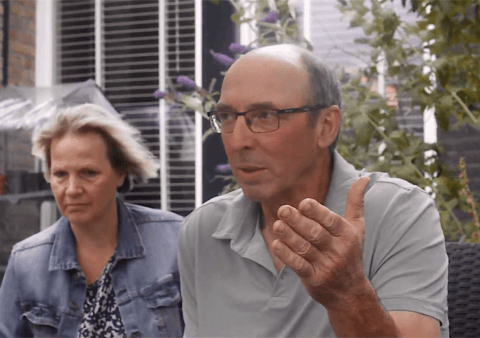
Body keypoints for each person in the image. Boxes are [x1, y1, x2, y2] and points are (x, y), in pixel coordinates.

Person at [178, 44, 448, 337]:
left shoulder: (399, 212)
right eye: (227, 116)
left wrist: (346, 293)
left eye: (266, 115)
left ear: (325, 126)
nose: (238, 140)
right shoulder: (203, 230)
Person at [0, 104, 184, 337]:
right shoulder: (26, 263)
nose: (72, 189)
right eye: (60, 174)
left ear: (120, 173)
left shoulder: (175, 240)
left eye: (89, 173)